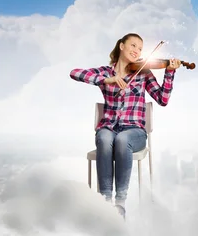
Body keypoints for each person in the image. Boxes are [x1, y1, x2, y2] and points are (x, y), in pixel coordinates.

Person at [69, 33, 180, 219]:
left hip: (134, 131)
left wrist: (170, 72)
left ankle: (120, 202)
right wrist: (105, 80)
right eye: (133, 45)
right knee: (104, 138)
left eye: (140, 49)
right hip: (109, 127)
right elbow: (75, 73)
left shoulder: (143, 73)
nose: (137, 51)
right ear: (121, 45)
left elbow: (163, 99)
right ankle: (104, 201)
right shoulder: (105, 72)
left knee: (122, 139)